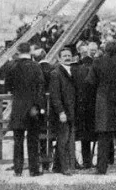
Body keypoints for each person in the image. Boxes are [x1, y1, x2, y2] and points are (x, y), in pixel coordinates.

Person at [89, 39, 116, 174]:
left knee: (103, 135)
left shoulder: (97, 61)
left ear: (105, 49)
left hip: (103, 101)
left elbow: (90, 81)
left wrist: (99, 89)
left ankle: (101, 167)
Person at [5, 41, 46, 177]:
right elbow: (41, 88)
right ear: (30, 51)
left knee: (18, 140)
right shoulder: (36, 67)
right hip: (32, 108)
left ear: (18, 51)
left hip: (17, 106)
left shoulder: (11, 66)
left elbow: (8, 87)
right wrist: (37, 106)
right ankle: (33, 169)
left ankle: (18, 169)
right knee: (33, 140)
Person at [48, 46, 77, 175]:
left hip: (71, 111)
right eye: (64, 56)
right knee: (63, 140)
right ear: (59, 58)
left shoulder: (72, 71)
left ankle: (58, 166)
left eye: (68, 55)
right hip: (63, 113)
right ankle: (65, 168)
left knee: (67, 139)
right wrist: (61, 112)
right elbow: (55, 95)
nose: (67, 57)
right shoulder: (56, 73)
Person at [72, 41, 97, 169]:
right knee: (90, 134)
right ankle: (90, 160)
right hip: (93, 105)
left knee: (80, 134)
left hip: (78, 105)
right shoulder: (95, 67)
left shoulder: (75, 69)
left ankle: (82, 161)